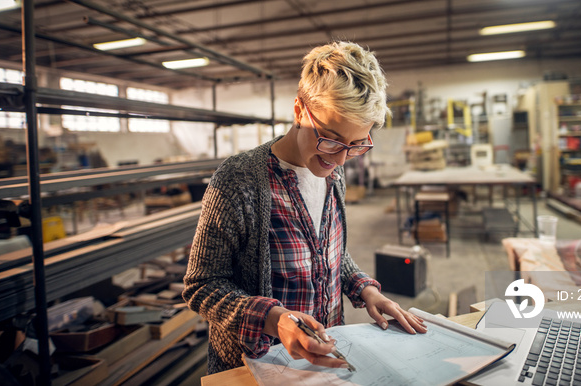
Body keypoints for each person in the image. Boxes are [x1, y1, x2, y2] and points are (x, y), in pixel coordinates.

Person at [183, 41, 427, 375]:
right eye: (329, 138)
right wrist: (274, 319)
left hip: (325, 363)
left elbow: (328, 254)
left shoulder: (333, 175)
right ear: (299, 110)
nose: (339, 159)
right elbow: (201, 285)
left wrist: (365, 288)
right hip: (255, 367)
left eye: (356, 145)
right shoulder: (239, 180)